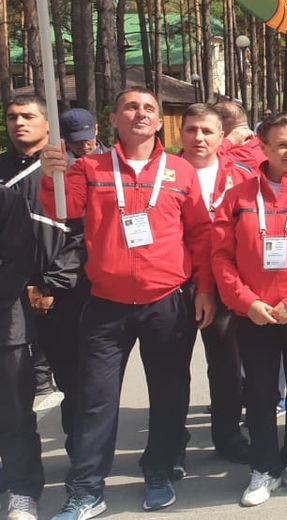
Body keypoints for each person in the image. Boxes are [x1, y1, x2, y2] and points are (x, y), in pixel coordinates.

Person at [40, 87, 215, 517]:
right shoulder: (89, 167)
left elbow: (201, 235)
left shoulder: (180, 171)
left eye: (149, 109)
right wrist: (52, 176)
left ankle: (159, 467)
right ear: (113, 120)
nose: (140, 113)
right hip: (107, 303)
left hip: (167, 301)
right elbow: (61, 210)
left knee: (169, 391)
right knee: (95, 398)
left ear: (159, 123)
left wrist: (205, 289)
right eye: (130, 107)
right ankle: (86, 489)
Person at [212, 113, 287, 506]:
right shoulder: (238, 197)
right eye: (281, 145)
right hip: (255, 313)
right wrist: (247, 302)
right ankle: (263, 467)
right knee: (261, 391)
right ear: (262, 149)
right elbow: (222, 257)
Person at [1, 97, 88, 464]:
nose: (19, 123)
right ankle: (17, 471)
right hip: (9, 296)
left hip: (60, 297)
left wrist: (52, 285)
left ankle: (82, 466)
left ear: (47, 123)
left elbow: (84, 236)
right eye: (12, 117)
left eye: (28, 116)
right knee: (13, 392)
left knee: (74, 384)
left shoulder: (71, 171)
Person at [178, 104, 257, 465]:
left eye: (207, 131)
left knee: (226, 366)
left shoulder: (242, 175)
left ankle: (228, 437)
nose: (199, 138)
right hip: (177, 284)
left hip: (226, 283)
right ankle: (171, 441)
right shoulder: (166, 173)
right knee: (171, 370)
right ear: (181, 133)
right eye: (192, 130)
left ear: (221, 137)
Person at [0, 188, 39, 520]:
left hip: (5, 326)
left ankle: (22, 490)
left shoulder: (6, 200)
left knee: (13, 415)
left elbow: (17, 262)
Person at [214, 101, 267, 168]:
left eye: (207, 131)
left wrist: (229, 140)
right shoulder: (259, 145)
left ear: (221, 128)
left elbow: (205, 161)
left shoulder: (244, 155)